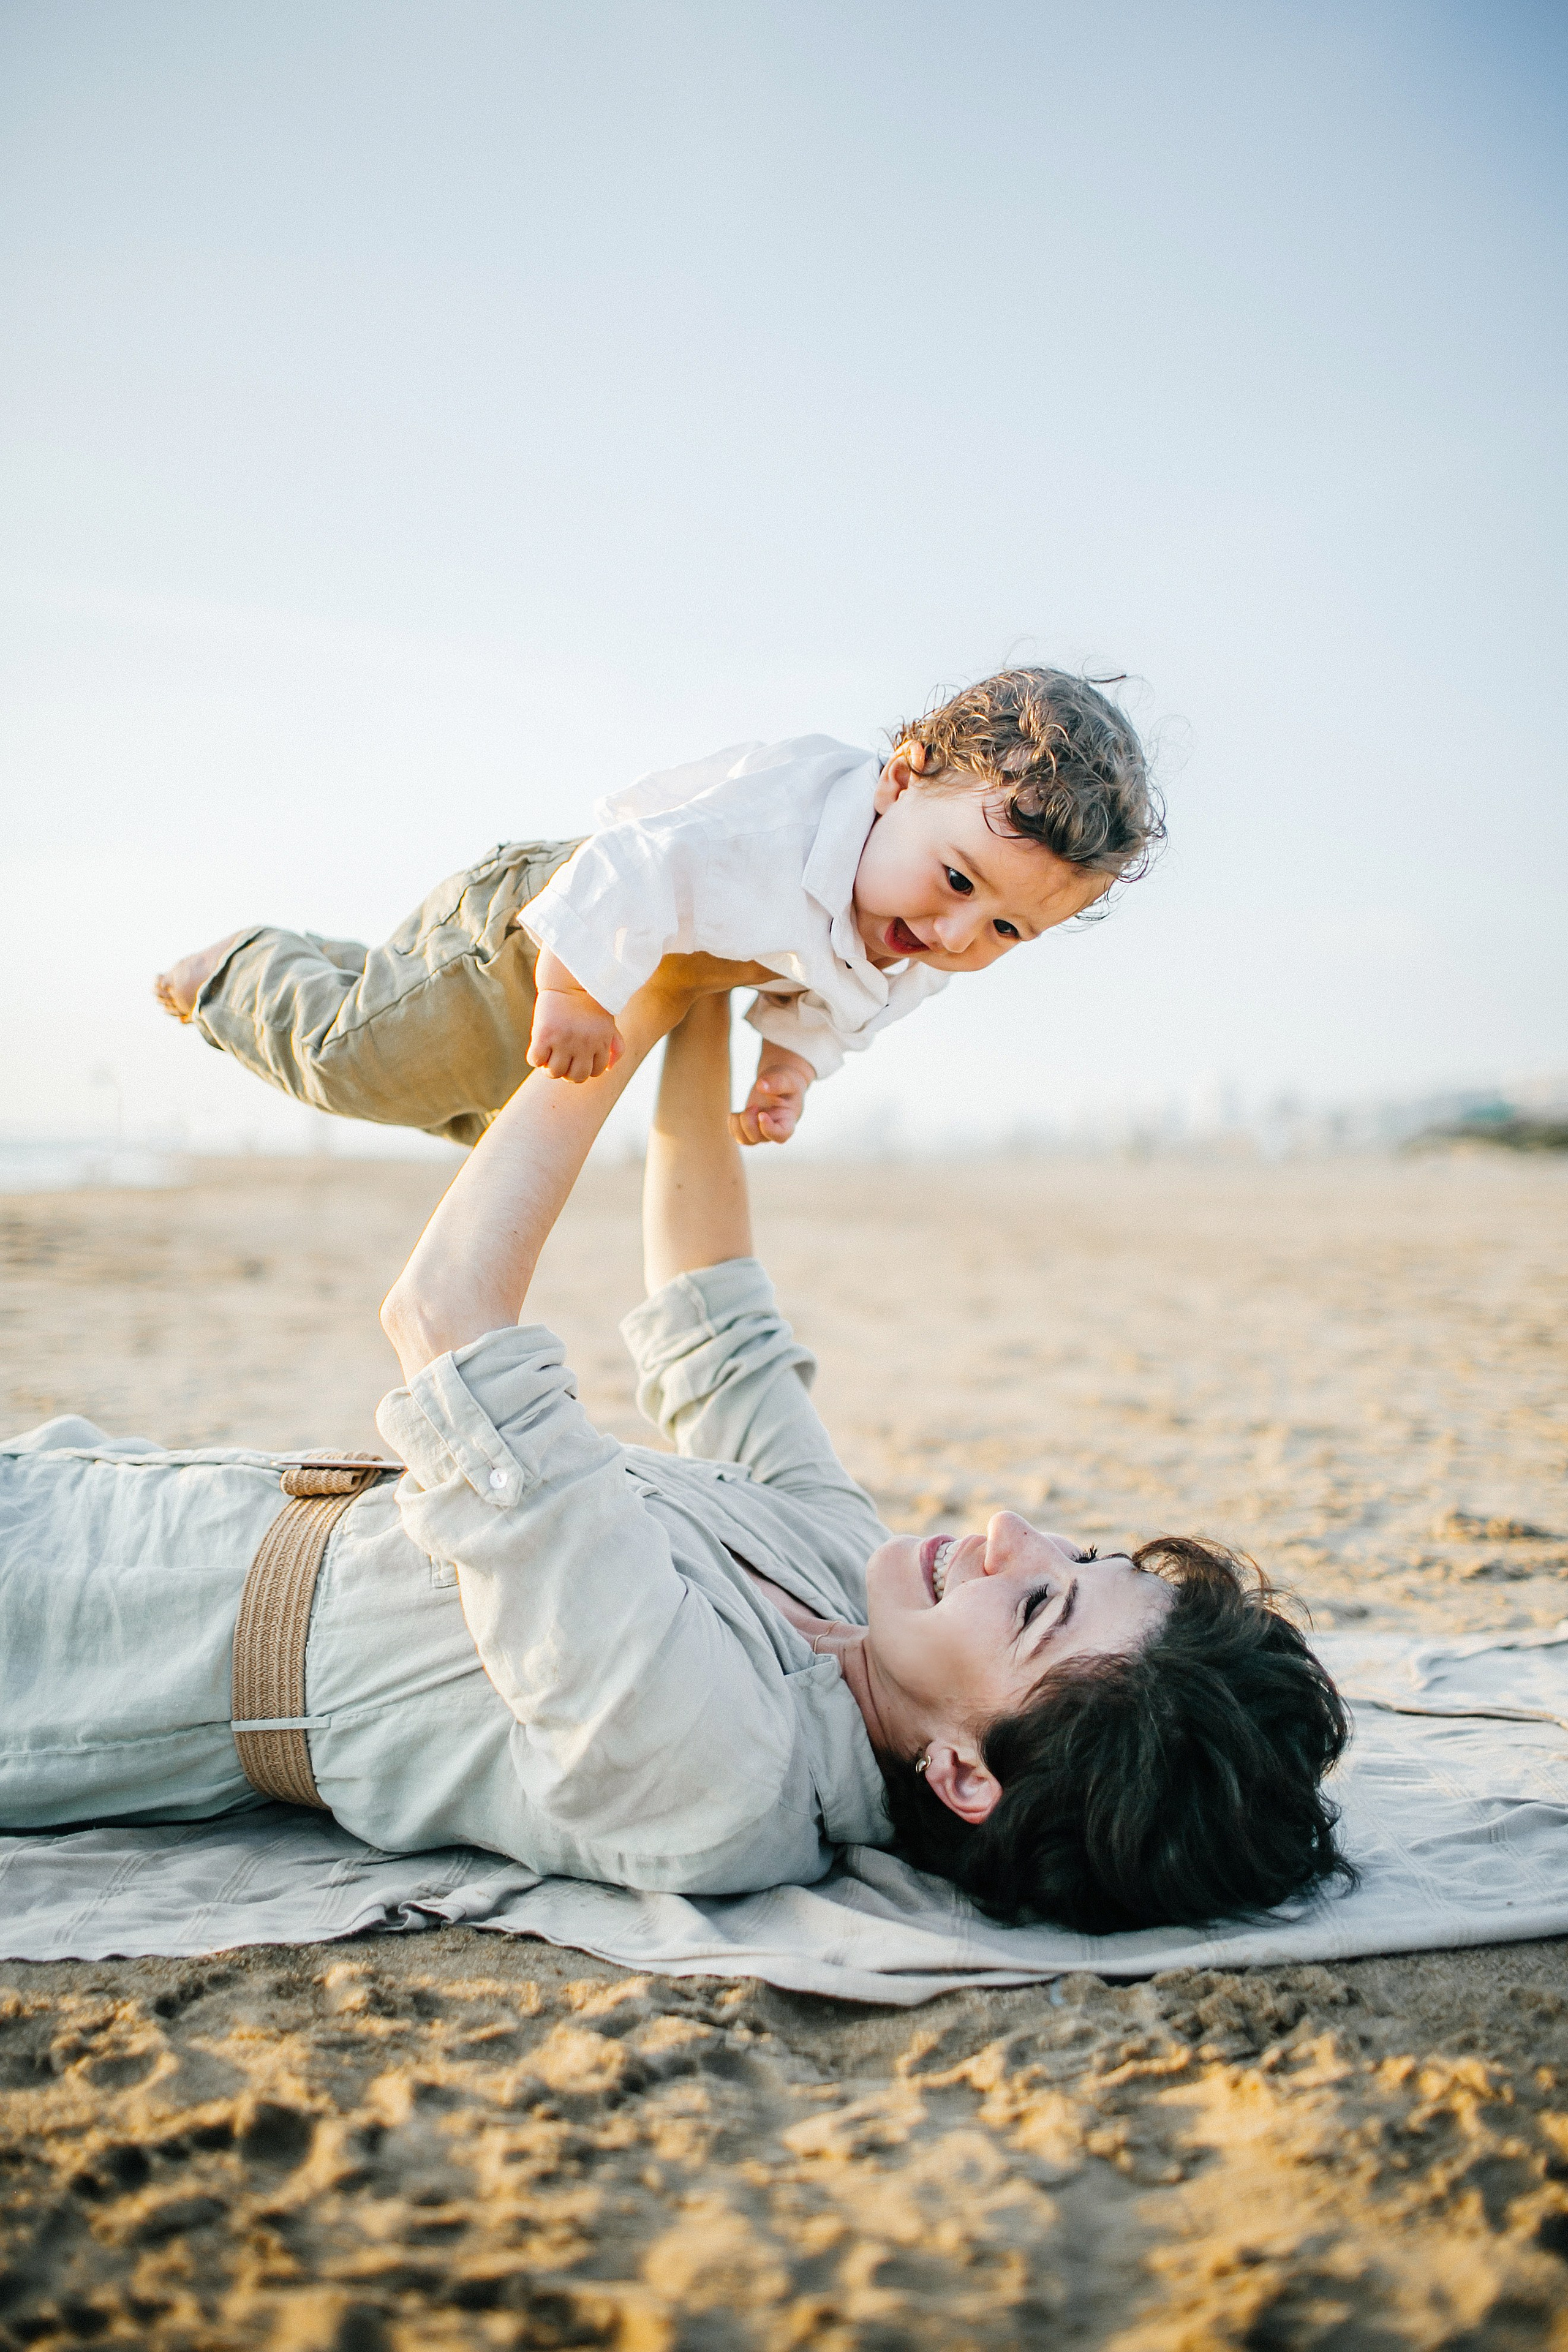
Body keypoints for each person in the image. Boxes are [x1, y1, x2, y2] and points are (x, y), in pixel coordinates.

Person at [1, 974, 1351, 1932]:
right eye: (1082, 1555)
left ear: (963, 1776)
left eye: (1042, 1605)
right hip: (97, 1489)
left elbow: (446, 1317)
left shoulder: (722, 1773)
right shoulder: (851, 1580)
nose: (1011, 1533)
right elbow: (714, 1321)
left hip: (76, 1652)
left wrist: (618, 996)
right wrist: (708, 980)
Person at [153, 667, 1163, 1152]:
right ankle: (240, 967)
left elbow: (848, 1005)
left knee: (467, 1109)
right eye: (957, 883)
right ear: (900, 781)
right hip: (545, 926)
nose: (953, 935)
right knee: (360, 1067)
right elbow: (633, 864)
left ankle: (370, 976)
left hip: (611, 968)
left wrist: (791, 1069)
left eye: (1005, 931)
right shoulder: (773, 828)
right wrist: (573, 984)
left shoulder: (904, 929)